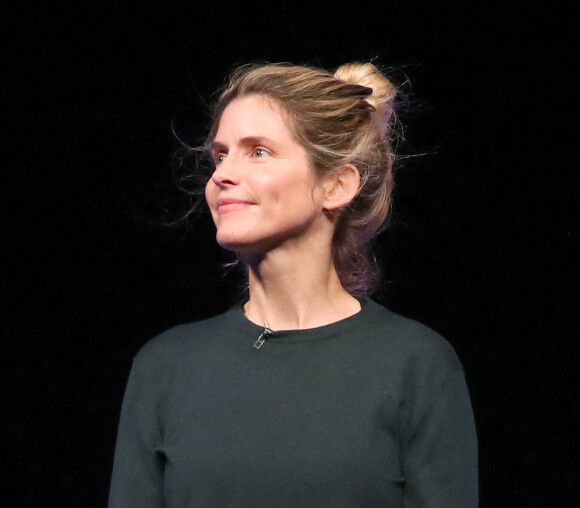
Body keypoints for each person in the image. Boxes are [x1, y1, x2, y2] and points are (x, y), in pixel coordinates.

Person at [108, 62, 478, 507]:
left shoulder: (417, 365)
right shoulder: (165, 368)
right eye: (221, 155)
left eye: (258, 151)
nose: (222, 174)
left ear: (335, 185)